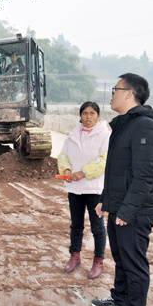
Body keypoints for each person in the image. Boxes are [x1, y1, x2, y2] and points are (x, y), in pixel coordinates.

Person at [91, 73, 153, 306]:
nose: (111, 94)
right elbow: (117, 170)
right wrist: (105, 200)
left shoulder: (145, 125)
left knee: (134, 261)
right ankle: (120, 298)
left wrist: (128, 210)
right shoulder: (124, 124)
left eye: (115, 89)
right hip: (119, 206)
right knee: (121, 257)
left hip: (135, 210)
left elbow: (145, 175)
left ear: (129, 94)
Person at [57, 101, 110, 279]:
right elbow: (63, 155)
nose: (88, 117)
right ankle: (75, 256)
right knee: (76, 225)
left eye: (92, 113)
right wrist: (66, 170)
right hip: (75, 188)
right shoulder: (73, 134)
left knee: (97, 226)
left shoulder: (105, 135)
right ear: (80, 115)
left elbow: (104, 161)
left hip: (95, 189)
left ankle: (98, 261)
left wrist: (83, 173)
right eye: (85, 113)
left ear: (98, 116)